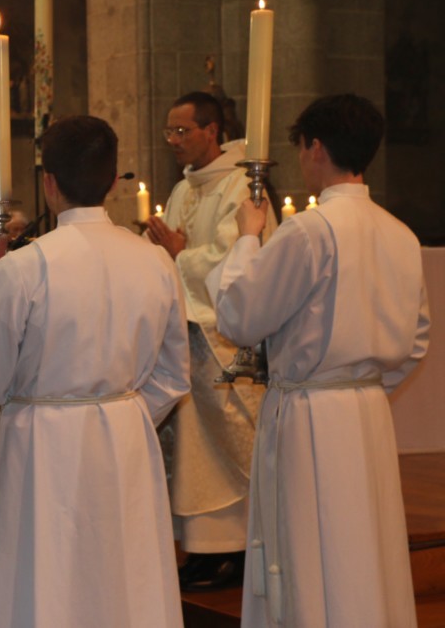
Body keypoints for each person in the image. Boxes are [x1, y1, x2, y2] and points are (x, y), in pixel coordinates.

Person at [208, 94, 429, 627]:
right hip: (367, 413)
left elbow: (240, 317)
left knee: (309, 548)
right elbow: (416, 340)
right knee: (363, 550)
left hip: (309, 416)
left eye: (302, 148)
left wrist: (247, 238)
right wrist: (359, 384)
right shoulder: (400, 233)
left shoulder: (310, 231)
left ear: (316, 148)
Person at [0, 116, 189, 627]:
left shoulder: (19, 269)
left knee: (45, 580)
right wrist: (121, 412)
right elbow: (174, 374)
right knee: (123, 575)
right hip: (126, 437)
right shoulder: (157, 262)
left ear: (49, 183)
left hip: (42, 443)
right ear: (113, 181)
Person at [144, 91, 276, 590]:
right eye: (169, 131)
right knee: (192, 450)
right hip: (188, 336)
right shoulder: (184, 188)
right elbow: (172, 252)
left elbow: (238, 256)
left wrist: (179, 254)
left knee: (226, 445)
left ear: (212, 131)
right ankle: (202, 549)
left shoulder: (243, 185)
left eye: (182, 131)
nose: (173, 140)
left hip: (222, 339)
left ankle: (236, 549)